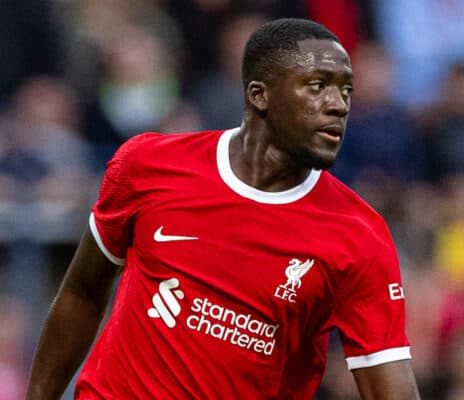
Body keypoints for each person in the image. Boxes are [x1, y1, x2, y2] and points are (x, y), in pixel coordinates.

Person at [25, 18, 420, 399]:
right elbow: (81, 294)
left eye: (346, 90)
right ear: (259, 94)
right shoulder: (147, 165)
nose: (338, 105)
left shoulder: (359, 235)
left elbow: (391, 387)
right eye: (318, 86)